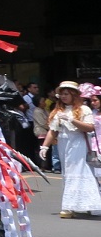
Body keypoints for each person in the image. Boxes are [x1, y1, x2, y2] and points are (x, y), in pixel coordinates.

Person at [41, 81, 101, 218]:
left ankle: (69, 207)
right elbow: (53, 130)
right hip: (63, 143)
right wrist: (45, 146)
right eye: (61, 94)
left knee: (77, 170)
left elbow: (90, 128)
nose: (63, 96)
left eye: (66, 94)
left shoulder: (84, 109)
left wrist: (71, 120)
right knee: (67, 172)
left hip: (78, 143)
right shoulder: (58, 111)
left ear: (74, 94)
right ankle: (79, 205)